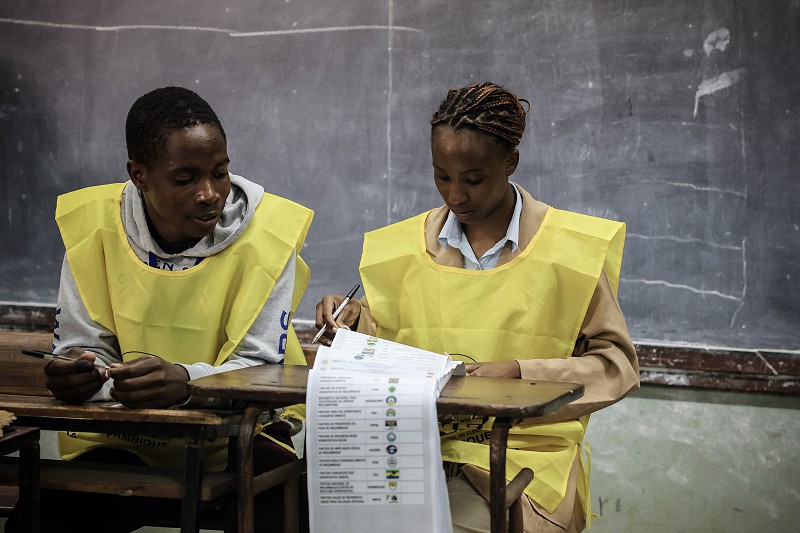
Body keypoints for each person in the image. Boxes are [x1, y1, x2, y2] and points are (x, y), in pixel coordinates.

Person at [315, 82, 640, 533]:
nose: (455, 196)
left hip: (519, 458)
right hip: (411, 449)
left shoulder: (569, 252)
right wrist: (347, 324)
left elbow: (616, 365)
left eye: (473, 179)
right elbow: (387, 340)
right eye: (441, 176)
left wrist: (521, 372)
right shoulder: (406, 248)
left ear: (511, 162)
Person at [5, 86, 313, 533]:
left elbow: (262, 369)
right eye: (185, 179)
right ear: (139, 175)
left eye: (221, 172)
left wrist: (186, 383)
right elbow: (80, 346)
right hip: (127, 433)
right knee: (37, 519)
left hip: (240, 435)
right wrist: (74, 372)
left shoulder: (270, 236)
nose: (210, 194)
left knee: (283, 508)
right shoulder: (94, 227)